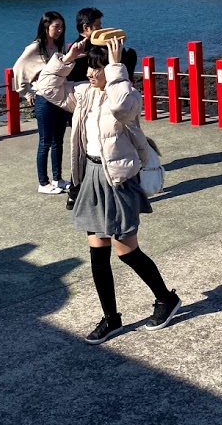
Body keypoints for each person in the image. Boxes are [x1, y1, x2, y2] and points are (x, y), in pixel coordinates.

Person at [66, 29, 181, 345]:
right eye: (89, 67)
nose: (90, 73)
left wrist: (116, 69)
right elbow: (47, 87)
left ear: (115, 68)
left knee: (126, 250)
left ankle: (165, 298)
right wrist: (68, 59)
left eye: (96, 67)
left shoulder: (127, 96)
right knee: (97, 253)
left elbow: (120, 110)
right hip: (92, 176)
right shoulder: (86, 94)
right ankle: (111, 318)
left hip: (117, 179)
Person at [13, 10, 72, 194]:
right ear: (46, 26)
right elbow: (18, 69)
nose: (60, 30)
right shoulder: (35, 48)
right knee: (45, 141)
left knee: (58, 141)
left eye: (62, 26)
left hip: (59, 98)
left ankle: (58, 178)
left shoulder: (58, 48)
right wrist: (26, 93)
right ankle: (43, 182)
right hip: (43, 99)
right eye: (56, 26)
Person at [67, 7, 104, 84]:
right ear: (86, 27)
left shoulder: (96, 43)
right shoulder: (78, 48)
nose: (101, 29)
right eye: (97, 26)